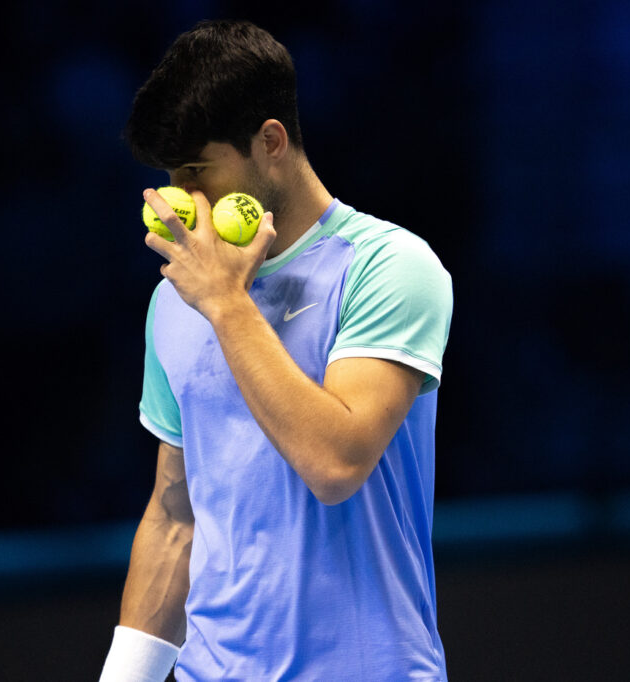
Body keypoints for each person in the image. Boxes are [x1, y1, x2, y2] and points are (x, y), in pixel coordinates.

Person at [100, 19, 453, 682]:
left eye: (196, 171)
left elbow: (335, 462)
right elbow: (176, 515)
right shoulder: (176, 299)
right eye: (168, 177)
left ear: (270, 143)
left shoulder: (391, 268)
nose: (178, 203)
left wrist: (228, 305)